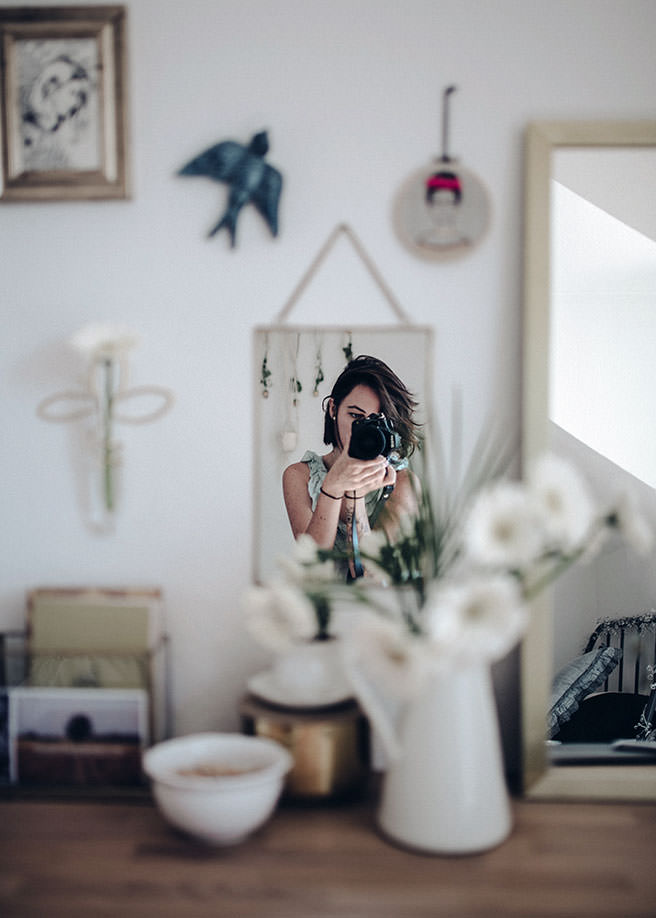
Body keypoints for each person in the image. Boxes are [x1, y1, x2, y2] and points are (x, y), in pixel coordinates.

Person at [282, 355, 420, 578]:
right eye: (355, 415)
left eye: (375, 422)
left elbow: (370, 574)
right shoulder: (300, 476)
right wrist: (332, 487)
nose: (362, 429)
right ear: (333, 409)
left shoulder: (403, 482)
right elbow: (313, 565)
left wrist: (355, 494)